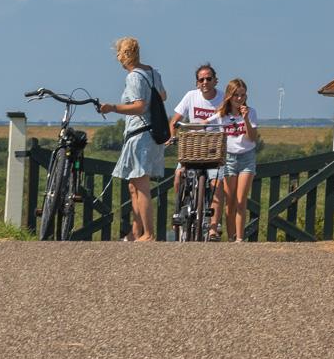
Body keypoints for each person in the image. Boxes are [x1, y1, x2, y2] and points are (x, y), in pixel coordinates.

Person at [98, 37, 167, 242]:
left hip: (140, 134)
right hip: (152, 132)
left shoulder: (133, 77)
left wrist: (112, 108)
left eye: (118, 53)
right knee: (133, 185)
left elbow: (139, 106)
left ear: (123, 55)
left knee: (141, 184)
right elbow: (162, 96)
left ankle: (148, 234)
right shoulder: (153, 72)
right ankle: (136, 232)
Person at [169, 62, 222, 231]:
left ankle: (214, 225)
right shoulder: (191, 96)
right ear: (197, 83)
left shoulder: (223, 98)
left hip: (214, 147)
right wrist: (172, 136)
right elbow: (174, 121)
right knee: (178, 175)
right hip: (193, 145)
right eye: (201, 80)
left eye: (208, 78)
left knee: (216, 182)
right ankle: (179, 207)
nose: (205, 82)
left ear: (215, 80)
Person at [211, 77, 261, 241]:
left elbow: (252, 138)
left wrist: (245, 118)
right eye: (236, 95)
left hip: (247, 157)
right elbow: (206, 123)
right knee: (230, 201)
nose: (239, 99)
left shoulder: (251, 112)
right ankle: (231, 237)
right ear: (229, 96)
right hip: (229, 158)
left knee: (241, 200)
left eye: (243, 95)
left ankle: (239, 238)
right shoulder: (221, 114)